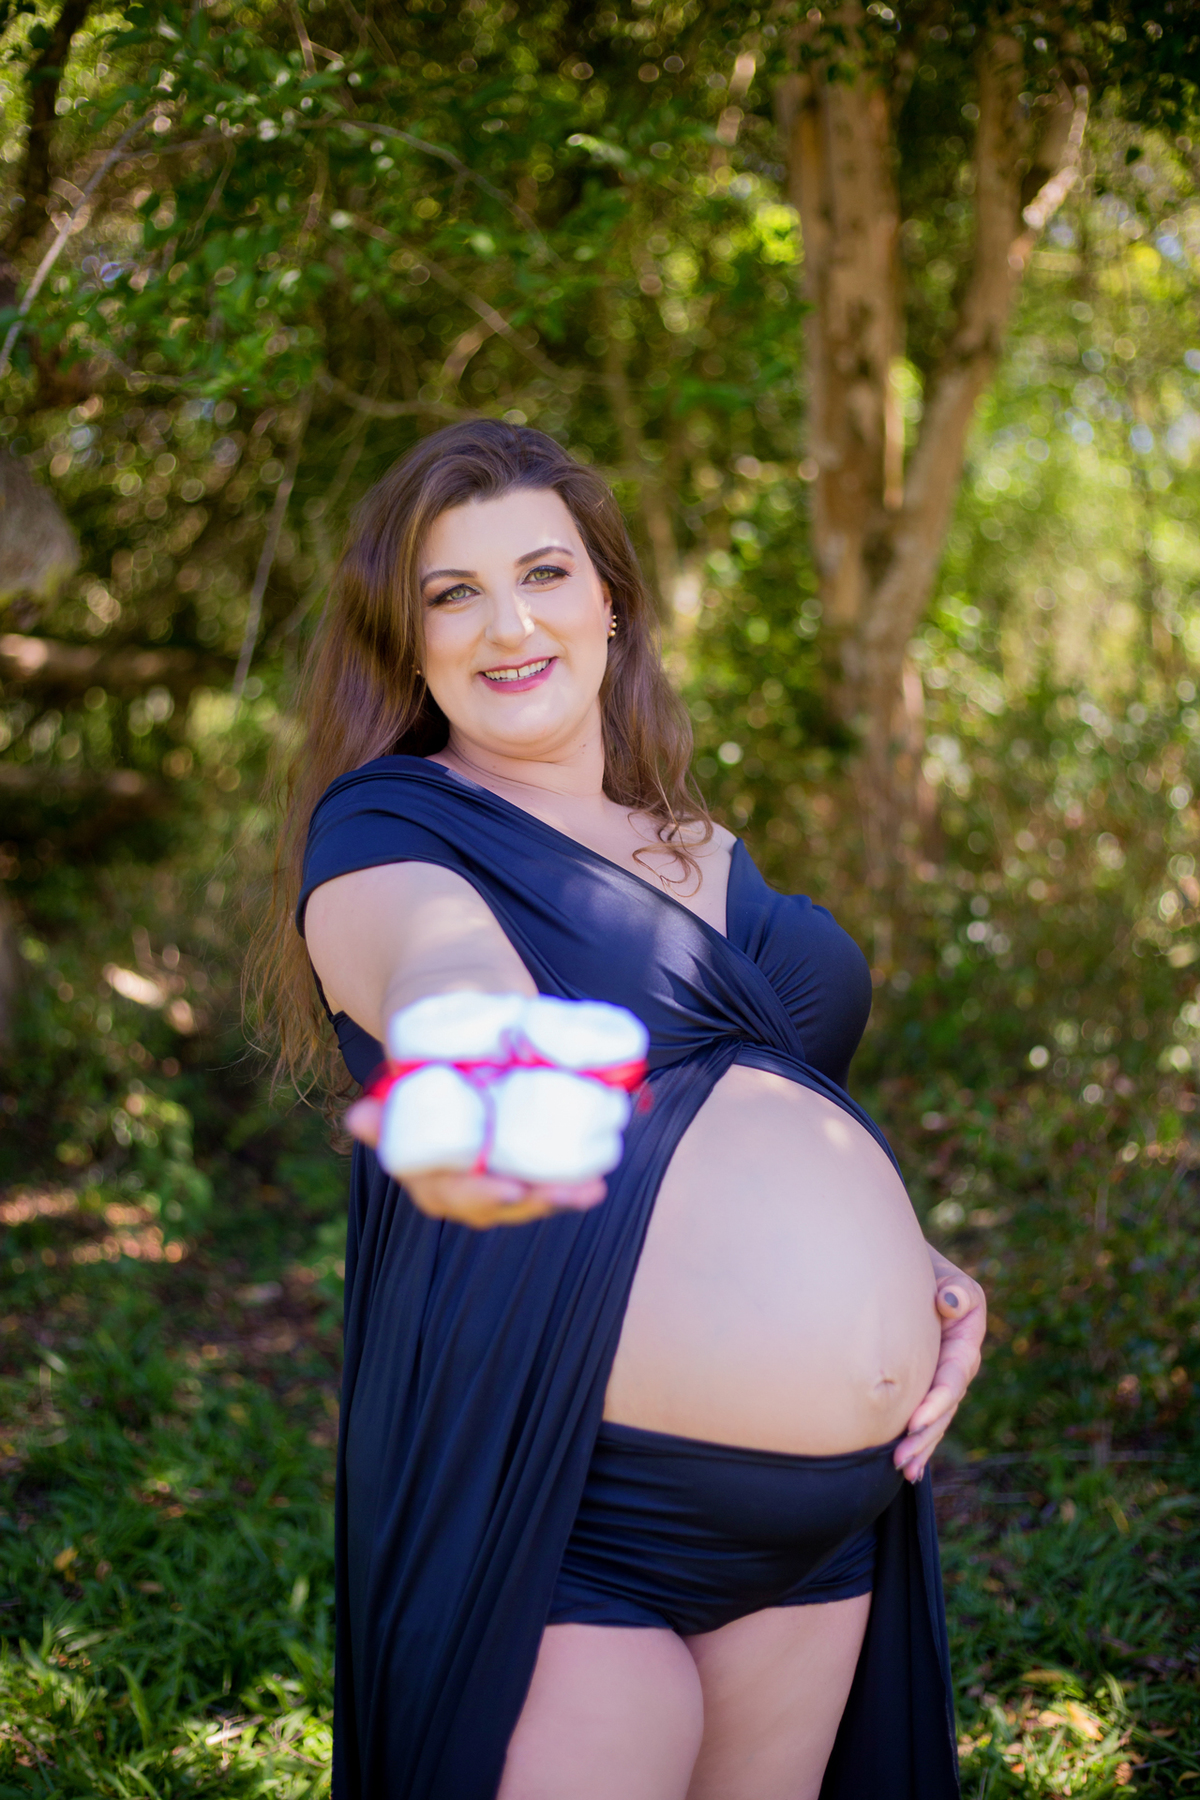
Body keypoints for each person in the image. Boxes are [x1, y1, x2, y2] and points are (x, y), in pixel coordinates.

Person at [255, 420, 986, 1800]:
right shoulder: (390, 830)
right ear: (403, 642)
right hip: (575, 1513)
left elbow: (764, 1115)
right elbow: (442, 975)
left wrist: (915, 1270)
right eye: (449, 592)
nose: (507, 622)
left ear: (610, 599)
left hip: (827, 1529)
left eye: (543, 572)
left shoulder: (701, 848)